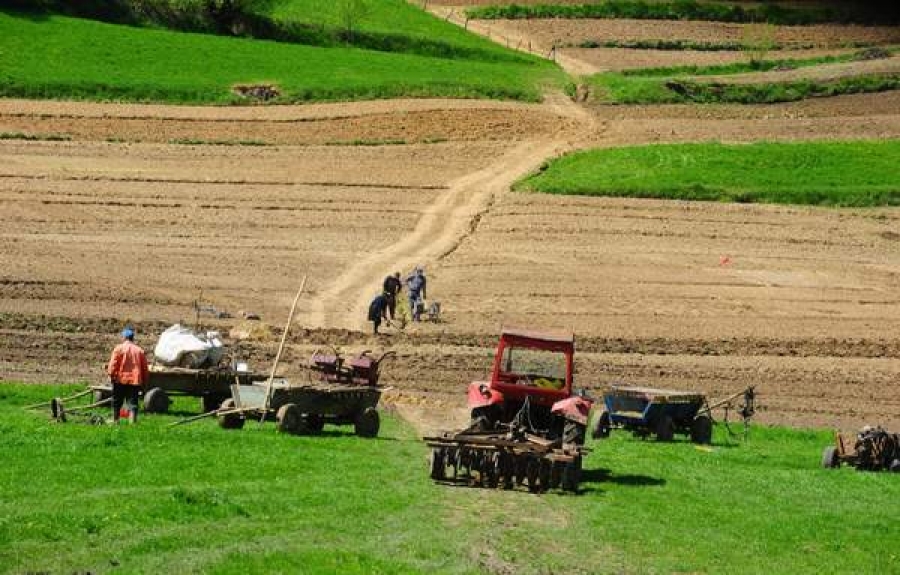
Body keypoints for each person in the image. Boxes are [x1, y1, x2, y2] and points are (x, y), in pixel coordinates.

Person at [107, 326, 149, 423]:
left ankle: (115, 420)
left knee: (117, 401)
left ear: (124, 337)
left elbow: (113, 364)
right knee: (133, 402)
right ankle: (132, 422)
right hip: (134, 380)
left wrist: (111, 375)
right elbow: (144, 368)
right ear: (132, 338)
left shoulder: (118, 349)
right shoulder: (139, 351)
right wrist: (145, 382)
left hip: (120, 379)